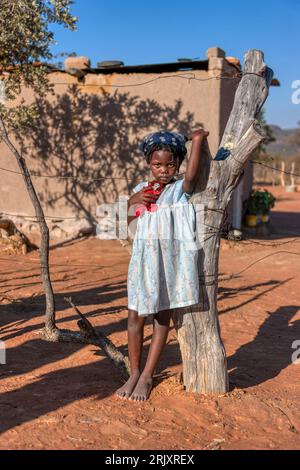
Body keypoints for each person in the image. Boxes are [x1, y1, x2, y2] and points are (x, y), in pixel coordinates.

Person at [115, 129, 209, 401]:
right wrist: (133, 202)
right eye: (157, 164)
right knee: (134, 317)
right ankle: (133, 372)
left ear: (178, 163)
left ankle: (147, 376)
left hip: (169, 266)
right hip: (143, 263)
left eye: (170, 164)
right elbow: (125, 220)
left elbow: (191, 177)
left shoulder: (180, 191)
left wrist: (198, 142)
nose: (164, 170)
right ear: (148, 164)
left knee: (160, 318)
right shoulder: (140, 191)